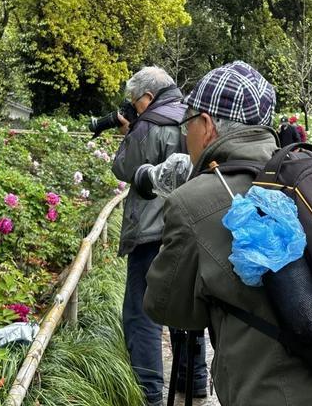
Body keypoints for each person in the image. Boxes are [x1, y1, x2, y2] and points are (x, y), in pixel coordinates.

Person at [144, 60, 312, 406]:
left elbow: (168, 308)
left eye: (187, 124)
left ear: (206, 125)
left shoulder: (194, 201)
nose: (185, 135)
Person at [111, 66, 207, 406]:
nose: (133, 108)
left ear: (148, 97)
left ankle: (148, 393)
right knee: (186, 307)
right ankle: (194, 380)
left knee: (141, 313)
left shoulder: (149, 125)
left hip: (152, 231)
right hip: (189, 226)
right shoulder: (193, 116)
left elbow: (123, 169)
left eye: (135, 102)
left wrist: (130, 132)